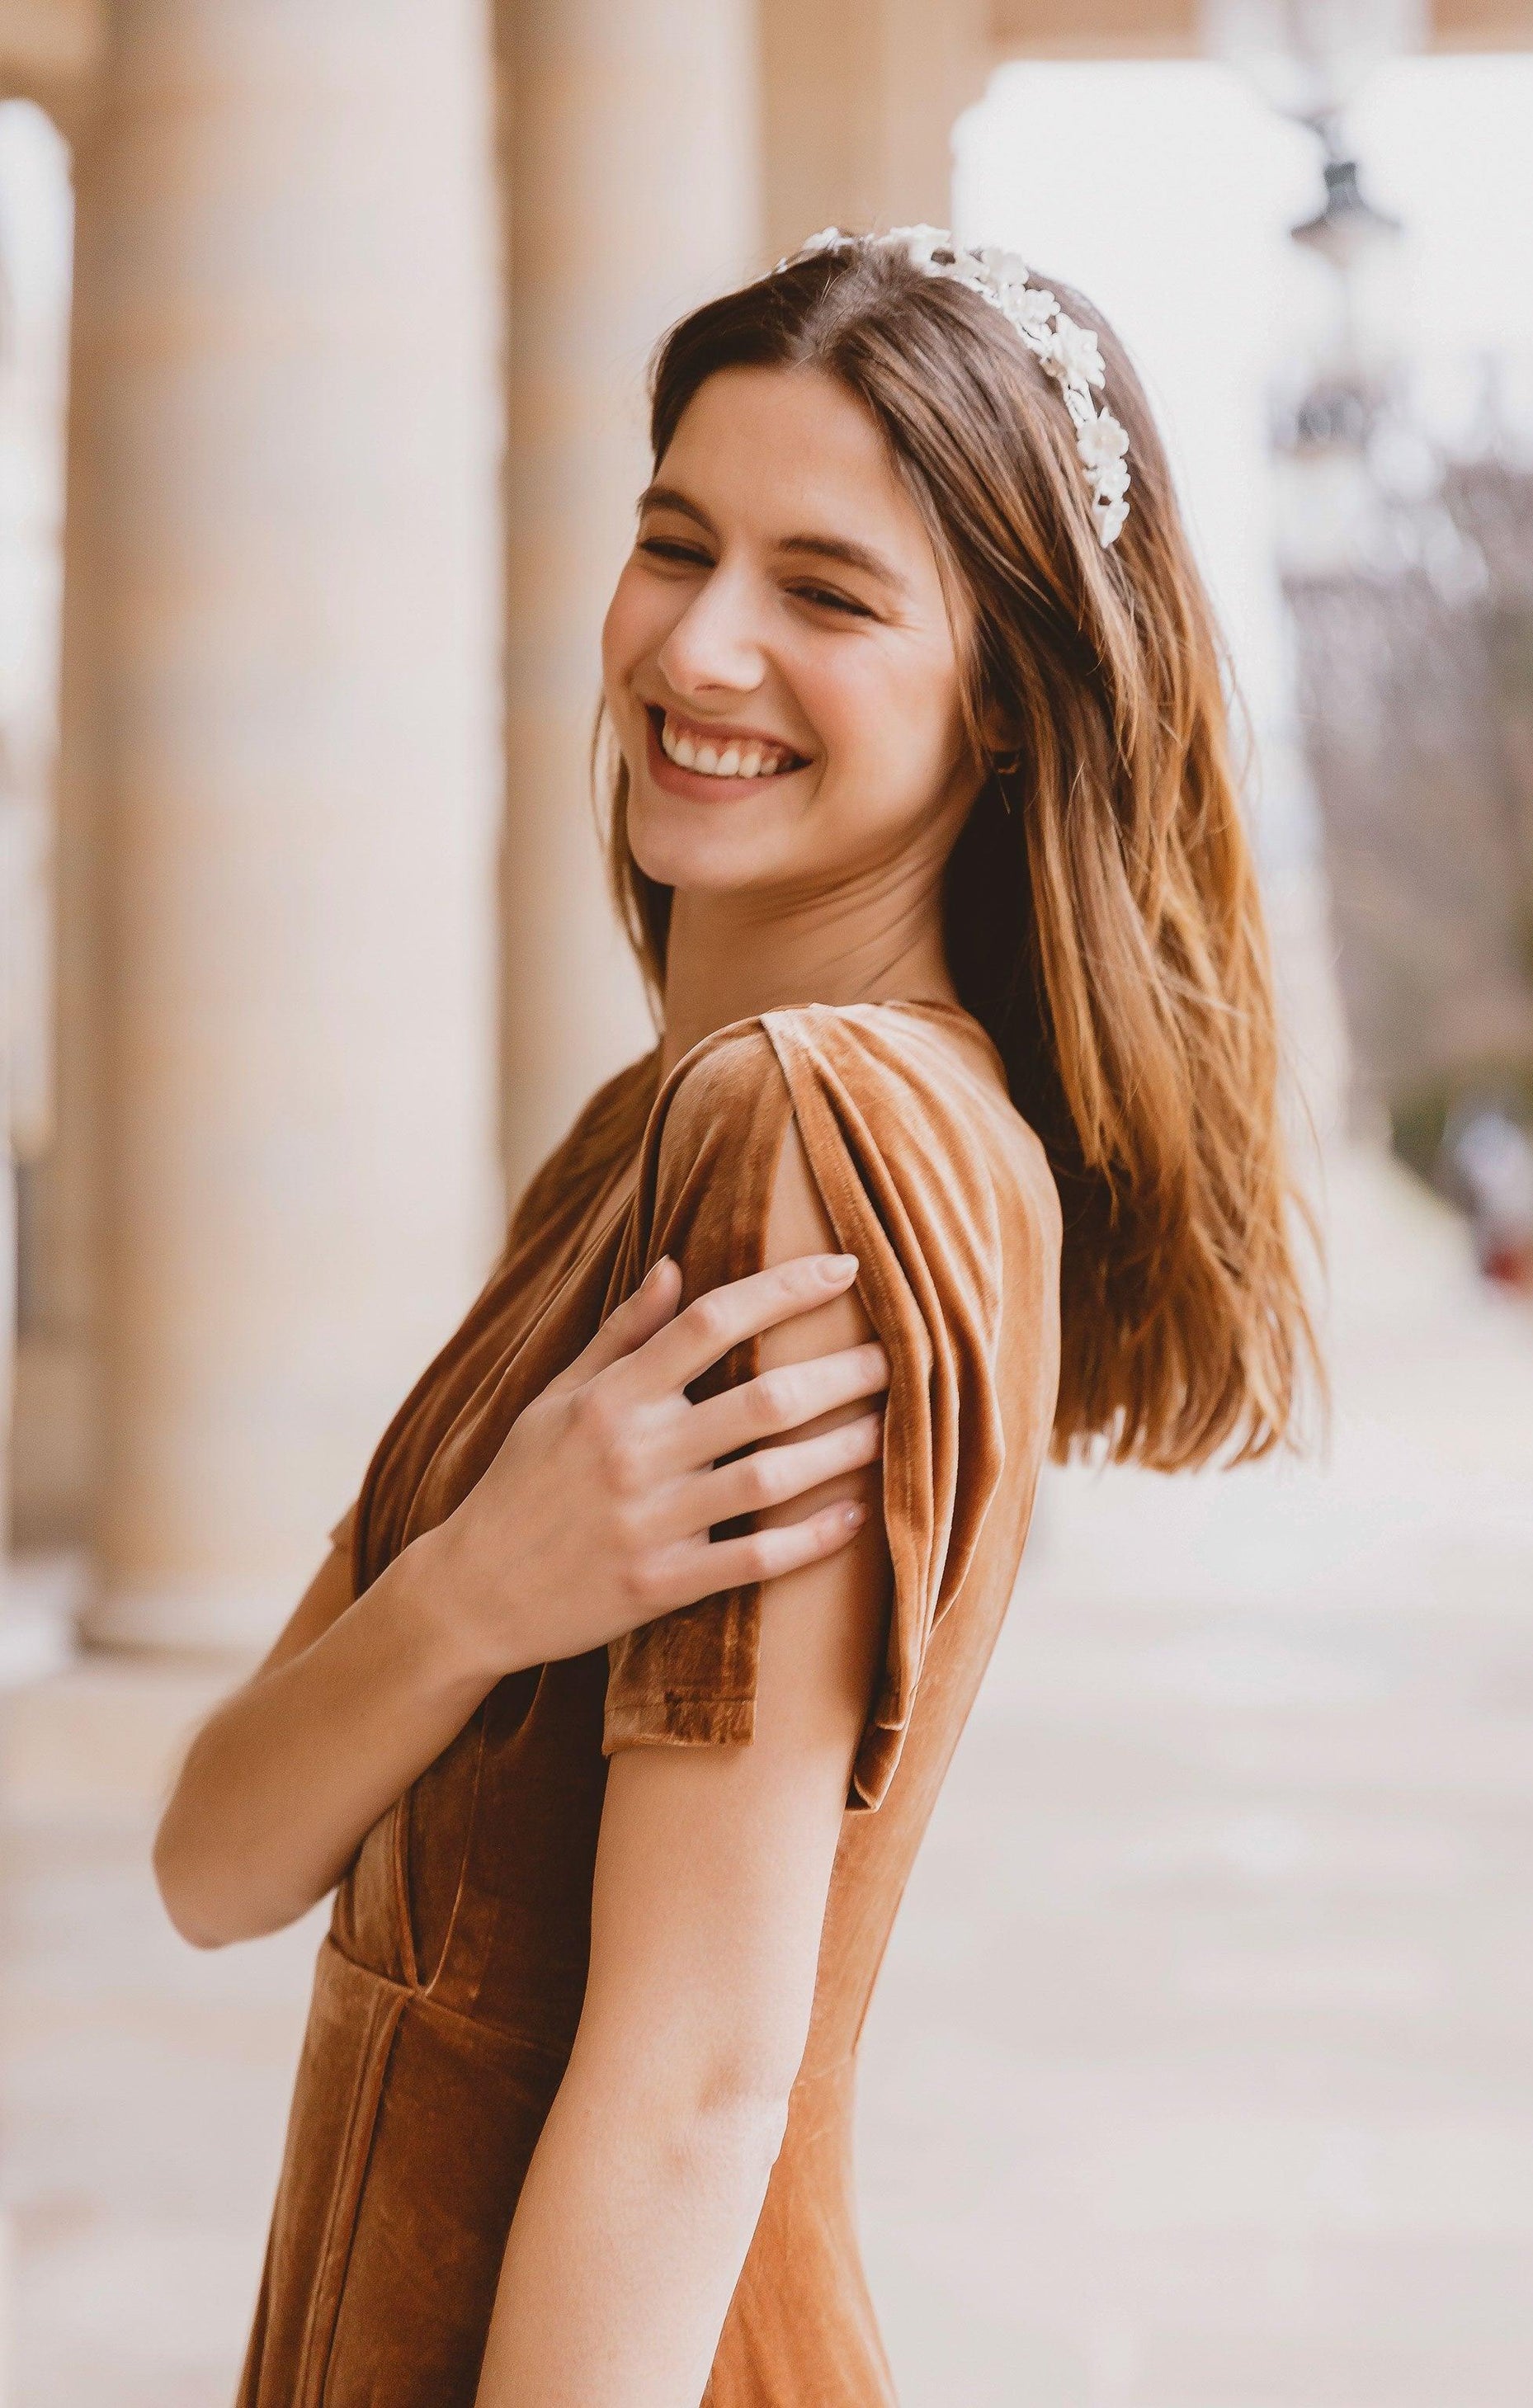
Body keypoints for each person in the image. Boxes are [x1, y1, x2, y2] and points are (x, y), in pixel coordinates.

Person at [154, 228, 1315, 2407]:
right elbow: (218, 1857)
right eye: (671, 543)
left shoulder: (812, 1133)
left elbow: (698, 2072)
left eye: (826, 588)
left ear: (1000, 688)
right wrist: (466, 1597)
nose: (699, 644)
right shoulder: (656, 1136)